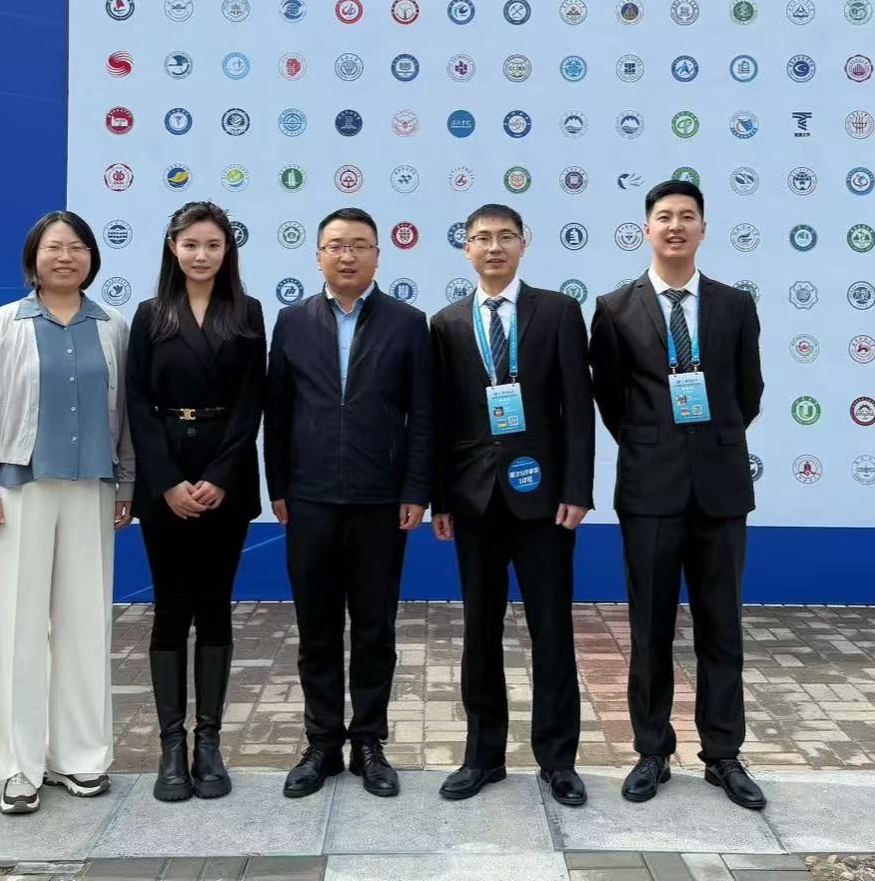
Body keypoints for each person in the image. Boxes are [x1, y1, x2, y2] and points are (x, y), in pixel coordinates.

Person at [588, 179, 766, 812]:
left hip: (720, 489)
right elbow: (610, 398)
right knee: (649, 628)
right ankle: (651, 750)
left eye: (687, 216)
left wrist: (708, 442)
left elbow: (749, 391)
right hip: (650, 490)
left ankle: (723, 754)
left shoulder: (734, 305)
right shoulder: (614, 308)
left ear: (703, 229)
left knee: (723, 628)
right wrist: (656, 442)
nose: (675, 226)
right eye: (664, 216)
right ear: (647, 228)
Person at [0, 210, 134, 816]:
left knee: (86, 624)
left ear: (92, 259)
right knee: (18, 627)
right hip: (18, 489)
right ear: (33, 257)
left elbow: (126, 415)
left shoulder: (112, 326)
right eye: (54, 247)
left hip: (92, 489)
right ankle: (19, 765)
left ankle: (81, 756)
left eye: (77, 247)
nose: (66, 257)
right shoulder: (4, 324)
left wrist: (127, 482)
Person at [264, 207, 432, 799]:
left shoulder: (408, 323)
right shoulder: (292, 321)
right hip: (308, 498)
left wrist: (415, 489)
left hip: (379, 500)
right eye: (336, 245)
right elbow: (277, 411)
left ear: (378, 256)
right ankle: (322, 744)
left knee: (374, 628)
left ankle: (369, 743)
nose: (348, 255)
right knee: (315, 627)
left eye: (360, 245)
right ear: (318, 256)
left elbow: (422, 415)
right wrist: (278, 486)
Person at [430, 205, 594, 808]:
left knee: (552, 628)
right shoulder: (446, 323)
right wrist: (441, 498)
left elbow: (578, 407)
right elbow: (441, 417)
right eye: (481, 238)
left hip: (544, 500)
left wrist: (577, 489)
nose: (493, 247)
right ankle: (483, 756)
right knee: (480, 629)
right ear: (466, 248)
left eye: (505, 237)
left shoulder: (557, 312)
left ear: (524, 243)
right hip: (474, 499)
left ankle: (558, 761)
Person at [125, 202, 264, 803]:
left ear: (227, 250)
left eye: (213, 245)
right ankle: (171, 747)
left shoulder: (248, 312)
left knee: (214, 606)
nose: (201, 255)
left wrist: (221, 476)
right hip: (166, 482)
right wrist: (165, 483)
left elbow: (251, 403)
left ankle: (209, 744)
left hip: (224, 479)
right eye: (191, 245)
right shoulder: (151, 314)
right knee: (170, 607)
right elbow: (136, 402)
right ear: (172, 248)